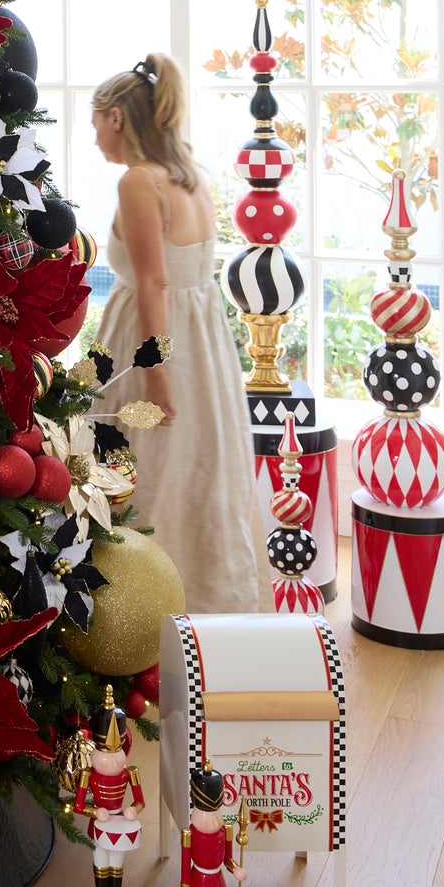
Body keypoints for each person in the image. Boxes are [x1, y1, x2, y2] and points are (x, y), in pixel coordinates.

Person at [90, 53, 266, 613]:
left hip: (152, 342)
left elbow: (154, 282)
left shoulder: (138, 182)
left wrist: (155, 372)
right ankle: (209, 602)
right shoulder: (191, 174)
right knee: (198, 469)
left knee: (144, 469)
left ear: (117, 117)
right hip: (205, 346)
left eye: (96, 123)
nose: (95, 138)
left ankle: (140, 611)